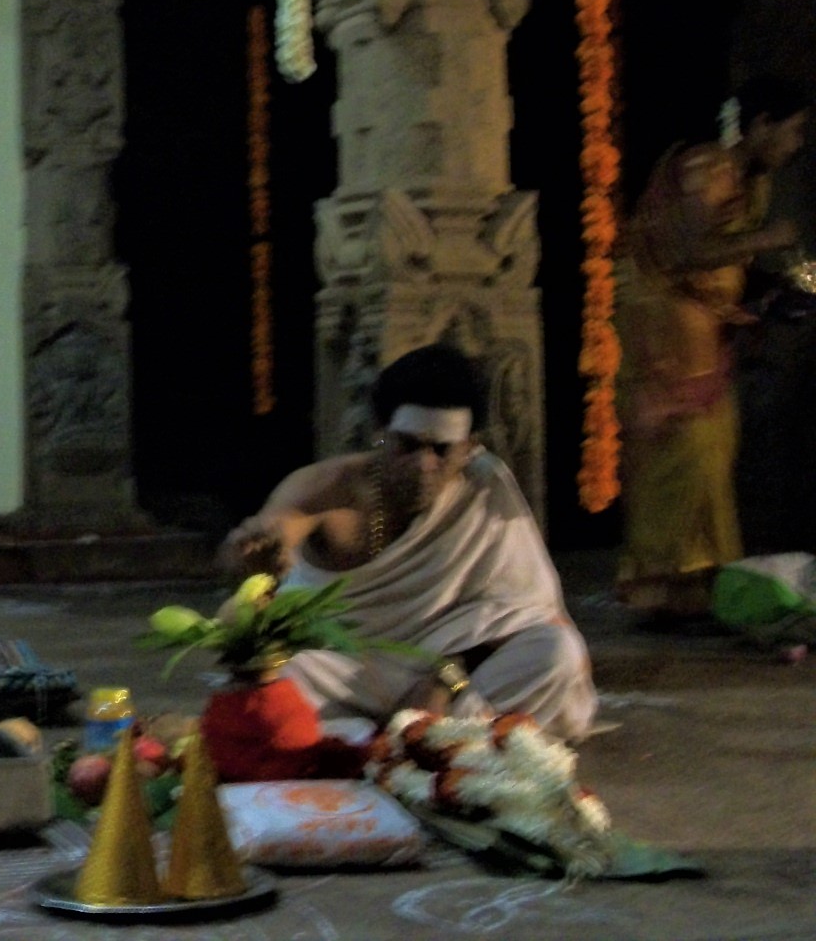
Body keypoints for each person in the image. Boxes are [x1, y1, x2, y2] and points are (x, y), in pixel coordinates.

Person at [220, 344, 597, 741]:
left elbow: (519, 616)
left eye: (442, 450)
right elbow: (265, 537)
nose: (423, 466)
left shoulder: (485, 488)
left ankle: (390, 738)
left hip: (447, 672)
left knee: (555, 653)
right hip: (345, 671)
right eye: (408, 445)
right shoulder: (327, 487)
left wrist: (444, 679)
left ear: (470, 447)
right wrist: (255, 553)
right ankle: (438, 740)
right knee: (277, 670)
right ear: (380, 433)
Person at [615, 76, 811, 617]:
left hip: (704, 329)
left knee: (715, 444)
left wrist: (770, 296)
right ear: (761, 124)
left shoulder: (753, 185)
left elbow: (727, 264)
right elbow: (685, 252)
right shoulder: (707, 166)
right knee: (683, 447)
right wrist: (768, 239)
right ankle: (657, 589)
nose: (796, 145)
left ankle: (701, 587)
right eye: (792, 131)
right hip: (663, 329)